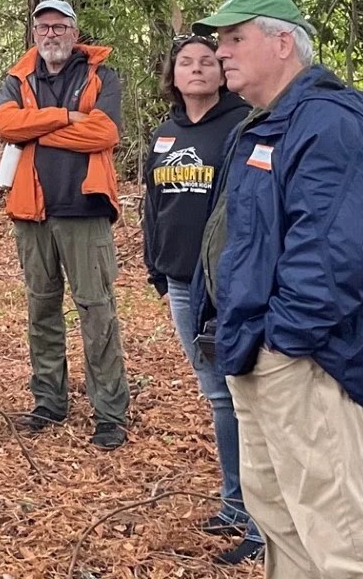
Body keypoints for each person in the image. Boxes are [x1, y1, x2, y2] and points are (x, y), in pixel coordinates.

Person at [190, 0, 363, 579]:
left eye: (235, 39)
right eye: (219, 39)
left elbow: (334, 252)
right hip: (255, 349)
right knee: (280, 520)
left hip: (302, 359)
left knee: (339, 538)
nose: (220, 51)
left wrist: (284, 341)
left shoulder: (328, 122)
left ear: (283, 42)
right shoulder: (263, 124)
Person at [143, 33, 264, 566]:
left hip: (226, 283)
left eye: (208, 62)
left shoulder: (240, 127)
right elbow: (153, 203)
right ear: (172, 75)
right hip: (181, 282)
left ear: (222, 72)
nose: (196, 70)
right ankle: (236, 502)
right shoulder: (165, 134)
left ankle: (265, 520)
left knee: (247, 395)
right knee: (218, 395)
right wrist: (155, 264)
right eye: (186, 63)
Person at [0, 0, 131, 448]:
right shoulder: (18, 78)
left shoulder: (100, 75)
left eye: (59, 26)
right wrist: (66, 117)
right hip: (32, 211)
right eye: (43, 27)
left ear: (74, 31)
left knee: (96, 310)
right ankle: (48, 402)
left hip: (85, 210)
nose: (51, 34)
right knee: (42, 310)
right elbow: (7, 126)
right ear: (34, 33)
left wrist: (37, 127)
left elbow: (105, 132)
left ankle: (110, 412)